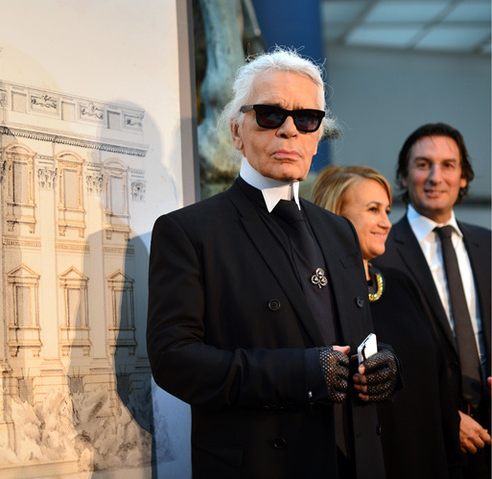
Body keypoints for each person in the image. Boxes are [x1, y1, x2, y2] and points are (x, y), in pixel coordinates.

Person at [146, 47, 400, 479]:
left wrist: (384, 366)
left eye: (307, 119)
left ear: (318, 136)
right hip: (265, 463)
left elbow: (354, 333)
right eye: (270, 115)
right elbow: (174, 360)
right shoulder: (190, 231)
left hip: (356, 460)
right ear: (236, 131)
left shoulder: (339, 230)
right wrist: (300, 373)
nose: (289, 130)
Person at [312, 165, 465, 479]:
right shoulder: (318, 297)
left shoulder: (401, 284)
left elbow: (438, 380)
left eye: (387, 210)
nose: (386, 222)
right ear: (335, 216)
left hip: (429, 460)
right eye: (373, 210)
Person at [373, 123, 491, 479]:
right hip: (425, 436)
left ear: (463, 177)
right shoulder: (379, 253)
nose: (435, 177)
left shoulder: (488, 245)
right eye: (423, 164)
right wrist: (445, 416)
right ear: (404, 176)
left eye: (448, 165)